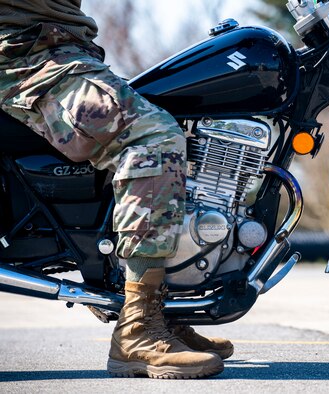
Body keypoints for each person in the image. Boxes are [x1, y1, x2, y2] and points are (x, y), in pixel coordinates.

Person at [0, 0, 233, 379]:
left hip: (58, 49)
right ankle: (139, 329)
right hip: (26, 56)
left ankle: (157, 308)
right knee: (151, 139)